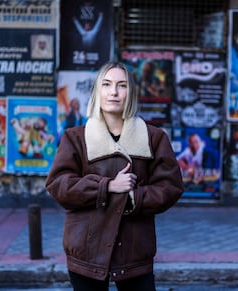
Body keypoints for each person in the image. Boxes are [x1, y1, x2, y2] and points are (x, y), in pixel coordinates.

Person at [45, 61, 184, 291]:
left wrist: (133, 197)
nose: (114, 92)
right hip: (86, 249)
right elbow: (59, 186)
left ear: (131, 92)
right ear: (97, 91)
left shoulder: (154, 138)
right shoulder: (76, 138)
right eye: (107, 84)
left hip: (134, 250)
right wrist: (107, 187)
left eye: (122, 85)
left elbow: (171, 187)